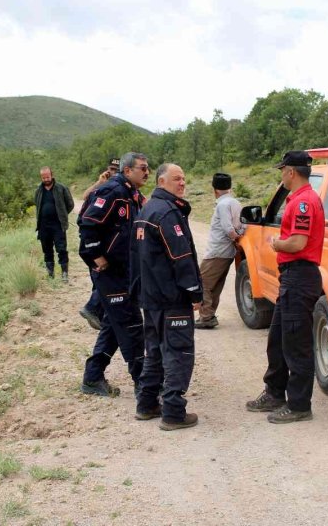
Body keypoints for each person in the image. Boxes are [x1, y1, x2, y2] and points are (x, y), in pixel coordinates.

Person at [245, 150, 325, 424]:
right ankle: (275, 392)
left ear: (291, 172)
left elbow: (298, 243)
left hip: (300, 277)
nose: (282, 175)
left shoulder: (303, 203)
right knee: (278, 339)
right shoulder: (300, 200)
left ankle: (300, 404)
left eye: (283, 171)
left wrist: (278, 243)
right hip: (292, 278)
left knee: (296, 344)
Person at [133, 163, 204, 430]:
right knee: (178, 352)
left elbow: (135, 259)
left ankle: (147, 404)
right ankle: (173, 413)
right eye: (177, 179)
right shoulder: (166, 213)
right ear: (162, 181)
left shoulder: (146, 210)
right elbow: (181, 257)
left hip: (151, 299)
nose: (182, 183)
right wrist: (195, 292)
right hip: (171, 298)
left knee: (154, 352)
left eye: (184, 178)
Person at [78, 152, 150, 397]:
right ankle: (144, 386)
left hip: (125, 271)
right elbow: (87, 224)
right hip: (110, 273)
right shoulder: (112, 192)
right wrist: (95, 256)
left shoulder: (131, 194)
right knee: (131, 325)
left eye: (148, 168)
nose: (147, 172)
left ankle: (92, 377)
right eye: (142, 168)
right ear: (127, 170)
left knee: (113, 324)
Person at [196, 172, 244, 329]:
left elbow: (228, 228)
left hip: (217, 251)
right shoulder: (235, 203)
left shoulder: (222, 205)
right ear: (230, 187)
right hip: (228, 252)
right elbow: (240, 225)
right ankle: (209, 314)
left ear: (215, 190)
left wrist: (234, 238)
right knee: (215, 284)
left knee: (202, 282)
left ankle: (206, 317)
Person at [79, 158, 121, 330]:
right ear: (107, 169)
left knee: (102, 279)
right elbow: (85, 198)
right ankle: (94, 309)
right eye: (111, 168)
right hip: (96, 242)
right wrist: (99, 182)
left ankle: (99, 313)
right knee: (103, 278)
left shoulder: (122, 188)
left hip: (107, 241)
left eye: (117, 169)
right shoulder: (103, 188)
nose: (114, 172)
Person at [34, 167, 75, 282]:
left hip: (58, 225)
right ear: (41, 177)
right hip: (43, 226)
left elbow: (70, 204)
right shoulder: (39, 190)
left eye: (47, 176)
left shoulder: (61, 188)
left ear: (52, 175)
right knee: (47, 250)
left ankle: (64, 274)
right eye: (43, 177)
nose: (46, 179)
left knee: (61, 249)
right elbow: (37, 205)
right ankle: (50, 275)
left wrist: (62, 214)